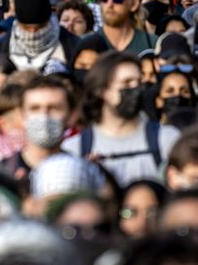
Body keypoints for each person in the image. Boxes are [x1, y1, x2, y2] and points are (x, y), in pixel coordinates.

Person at [63, 52, 180, 186]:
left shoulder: (167, 139)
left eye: (138, 83)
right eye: (127, 83)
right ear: (101, 90)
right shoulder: (75, 149)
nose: (135, 90)